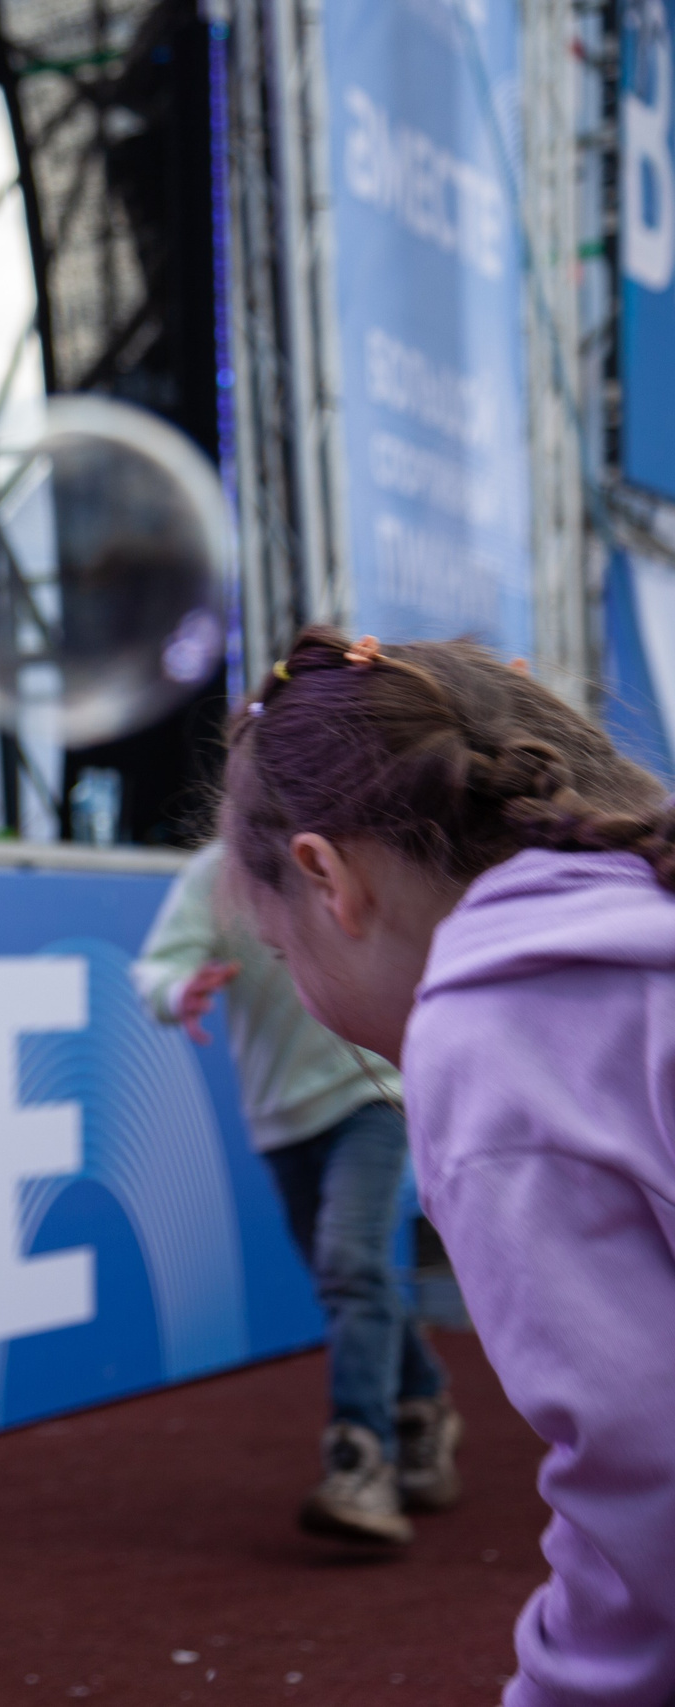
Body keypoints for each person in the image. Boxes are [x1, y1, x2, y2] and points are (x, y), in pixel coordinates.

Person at [221, 626, 675, 1707]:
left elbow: (649, 1472)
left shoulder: (499, 1031)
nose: (297, 984)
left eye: (281, 955)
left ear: (325, 875)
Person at [133, 840, 460, 1546]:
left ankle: (360, 1461)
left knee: (348, 1263)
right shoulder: (217, 870)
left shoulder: (360, 845)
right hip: (279, 1113)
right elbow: (158, 964)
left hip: (373, 1091)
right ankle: (424, 1400)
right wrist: (178, 990)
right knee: (349, 1275)